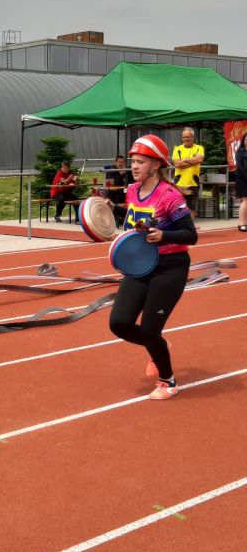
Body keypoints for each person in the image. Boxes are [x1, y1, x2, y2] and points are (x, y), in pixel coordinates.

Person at [107, 135, 198, 400]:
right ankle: (158, 344)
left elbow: (190, 235)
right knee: (119, 323)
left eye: (140, 162)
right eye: (133, 161)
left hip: (170, 267)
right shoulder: (133, 190)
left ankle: (168, 381)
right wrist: (112, 208)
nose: (134, 166)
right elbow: (136, 219)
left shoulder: (170, 196)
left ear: (156, 165)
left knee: (149, 329)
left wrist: (164, 235)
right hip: (140, 266)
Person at [172, 127, 204, 219]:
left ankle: (190, 226)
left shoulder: (199, 148)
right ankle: (180, 225)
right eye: (184, 137)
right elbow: (177, 164)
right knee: (178, 207)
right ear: (182, 138)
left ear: (192, 138)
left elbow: (199, 159)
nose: (186, 139)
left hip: (193, 182)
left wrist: (184, 160)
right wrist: (193, 161)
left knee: (191, 207)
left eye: (188, 137)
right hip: (179, 183)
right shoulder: (177, 149)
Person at [104, 155, 133, 225]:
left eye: (122, 162)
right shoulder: (111, 171)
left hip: (123, 194)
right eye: (119, 162)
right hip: (113, 194)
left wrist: (127, 174)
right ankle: (116, 219)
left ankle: (128, 218)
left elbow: (131, 182)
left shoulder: (127, 171)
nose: (121, 164)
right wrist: (120, 175)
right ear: (115, 162)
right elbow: (113, 185)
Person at [234, 133, 247, 232]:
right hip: (242, 179)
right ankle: (241, 223)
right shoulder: (240, 152)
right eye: (246, 139)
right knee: (245, 200)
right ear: (244, 141)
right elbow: (240, 167)